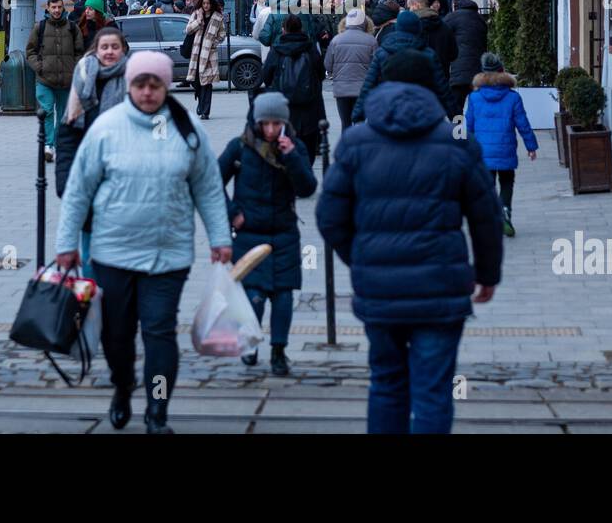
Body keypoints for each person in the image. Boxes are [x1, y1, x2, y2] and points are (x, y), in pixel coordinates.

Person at [316, 49, 503, 434]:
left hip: (380, 289)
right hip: (441, 287)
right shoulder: (456, 140)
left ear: (382, 81)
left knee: (386, 383)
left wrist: (363, 259)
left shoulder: (356, 140)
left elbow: (328, 216)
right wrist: (487, 273)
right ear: (430, 86)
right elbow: (486, 215)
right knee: (433, 391)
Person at [55, 50, 232, 434]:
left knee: (159, 334)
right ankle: (122, 387)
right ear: (130, 86)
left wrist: (220, 237)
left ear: (166, 86)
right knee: (116, 336)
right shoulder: (106, 128)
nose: (148, 92)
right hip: (112, 253)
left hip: (167, 256)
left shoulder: (186, 129)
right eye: (140, 84)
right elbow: (78, 191)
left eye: (155, 85)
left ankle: (157, 408)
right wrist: (67, 244)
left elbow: (208, 188)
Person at [218, 92, 318, 376]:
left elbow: (308, 188)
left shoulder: (293, 147)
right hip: (250, 234)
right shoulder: (239, 147)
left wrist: (293, 157)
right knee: (255, 296)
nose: (271, 130)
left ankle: (278, 351)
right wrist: (232, 213)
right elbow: (213, 182)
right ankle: (249, 342)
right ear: (256, 122)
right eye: (266, 124)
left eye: (277, 124)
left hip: (285, 233)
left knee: (284, 296)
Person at [55, 26, 131, 273]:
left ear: (123, 50)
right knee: (89, 250)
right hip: (89, 177)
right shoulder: (84, 74)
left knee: (121, 249)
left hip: (123, 178)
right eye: (104, 47)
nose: (109, 52)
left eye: (114, 47)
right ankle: (92, 297)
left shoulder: (134, 80)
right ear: (96, 50)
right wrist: (64, 180)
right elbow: (68, 134)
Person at [465, 52, 537, 237]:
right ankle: (505, 213)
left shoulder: (474, 97)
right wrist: (531, 146)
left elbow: (469, 125)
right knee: (506, 181)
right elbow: (523, 123)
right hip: (505, 148)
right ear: (502, 71)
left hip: (483, 151)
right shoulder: (513, 97)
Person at [353, 9, 457, 123]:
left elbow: (369, 84)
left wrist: (358, 115)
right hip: (421, 111)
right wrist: (457, 117)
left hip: (389, 109)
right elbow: (443, 88)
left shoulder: (383, 52)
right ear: (418, 28)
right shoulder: (428, 54)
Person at [259, 13, 326, 160]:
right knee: (308, 153)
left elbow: (266, 77)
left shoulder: (276, 50)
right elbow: (321, 74)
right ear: (301, 29)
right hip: (309, 108)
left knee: (284, 151)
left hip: (283, 108)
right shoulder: (310, 49)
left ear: (283, 30)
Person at [26, 0, 83, 162]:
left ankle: (59, 145)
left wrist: (75, 68)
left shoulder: (73, 28)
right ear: (48, 8)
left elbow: (80, 52)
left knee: (64, 115)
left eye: (59, 7)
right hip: (45, 80)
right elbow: (30, 51)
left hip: (67, 80)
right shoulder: (40, 27)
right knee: (48, 111)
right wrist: (39, 67)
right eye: (53, 7)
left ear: (63, 8)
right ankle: (48, 145)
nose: (57, 10)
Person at [323, 8, 378, 129]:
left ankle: (346, 146)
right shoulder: (371, 41)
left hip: (342, 89)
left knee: (345, 124)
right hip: (363, 89)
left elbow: (327, 65)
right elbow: (376, 66)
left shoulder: (336, 40)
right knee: (361, 123)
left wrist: (334, 73)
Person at [185, 0, 225, 120]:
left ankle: (205, 111)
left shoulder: (218, 17)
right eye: (204, 3)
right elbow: (188, 29)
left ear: (212, 4)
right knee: (196, 82)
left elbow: (222, 34)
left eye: (208, 3)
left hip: (209, 54)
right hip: (196, 53)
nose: (206, 5)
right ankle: (200, 104)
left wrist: (214, 42)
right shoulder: (196, 14)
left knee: (207, 84)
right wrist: (199, 21)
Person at [446, 0, 488, 112]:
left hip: (458, 70)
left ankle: (457, 129)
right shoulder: (479, 18)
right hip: (478, 71)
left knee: (456, 107)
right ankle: (473, 130)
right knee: (476, 107)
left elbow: (444, 37)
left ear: (454, 5)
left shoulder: (452, 17)